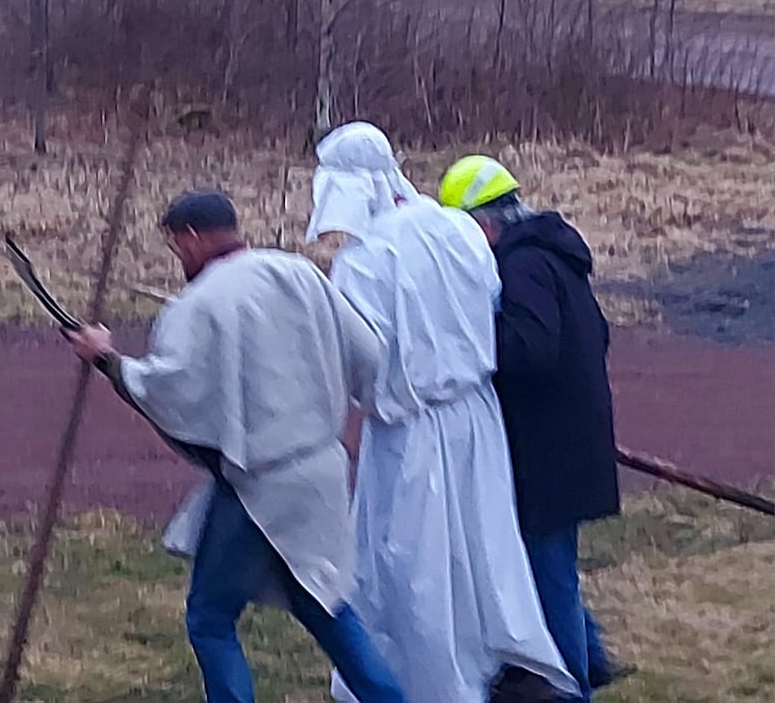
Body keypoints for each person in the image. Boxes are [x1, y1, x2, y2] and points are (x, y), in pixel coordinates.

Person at [63, 189, 406, 703]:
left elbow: (166, 390)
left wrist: (108, 358)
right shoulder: (301, 273)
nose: (178, 257)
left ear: (194, 237)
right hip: (324, 472)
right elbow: (368, 356)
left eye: (177, 245)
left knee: (210, 617)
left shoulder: (202, 304)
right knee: (325, 607)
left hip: (261, 485)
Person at [306, 122, 580, 703]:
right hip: (476, 422)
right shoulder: (457, 228)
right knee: (482, 549)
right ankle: (493, 666)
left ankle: (436, 683)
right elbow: (488, 301)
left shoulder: (363, 263)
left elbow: (360, 357)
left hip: (410, 432)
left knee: (417, 563)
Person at [439, 155, 624, 703]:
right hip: (567, 442)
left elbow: (529, 348)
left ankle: (572, 687)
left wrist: (467, 339)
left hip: (548, 452)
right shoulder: (553, 258)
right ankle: (589, 658)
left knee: (548, 572)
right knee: (545, 562)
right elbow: (596, 336)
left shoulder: (523, 268)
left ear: (483, 223)